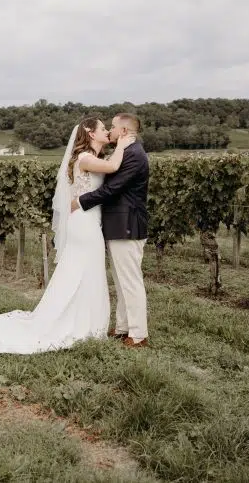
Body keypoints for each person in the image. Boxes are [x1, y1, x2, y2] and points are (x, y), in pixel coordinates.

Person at [0, 118, 135, 355]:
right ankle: (82, 323)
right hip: (84, 225)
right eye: (103, 128)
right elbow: (114, 167)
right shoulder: (85, 158)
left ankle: (83, 320)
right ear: (89, 132)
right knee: (85, 271)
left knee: (84, 271)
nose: (106, 131)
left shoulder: (91, 158)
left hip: (87, 221)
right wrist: (124, 144)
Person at [71, 112, 150, 348]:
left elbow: (113, 189)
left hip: (127, 225)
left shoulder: (134, 155)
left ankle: (138, 335)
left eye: (113, 127)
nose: (110, 131)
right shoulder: (127, 152)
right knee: (121, 279)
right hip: (118, 225)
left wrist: (81, 201)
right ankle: (124, 327)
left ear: (124, 131)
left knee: (131, 281)